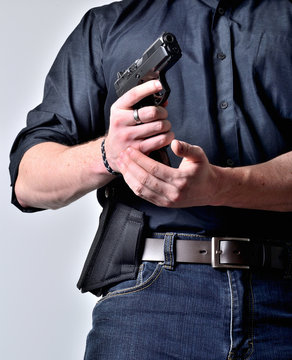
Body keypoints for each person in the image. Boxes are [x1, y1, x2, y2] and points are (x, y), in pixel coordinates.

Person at [9, 0, 292, 359]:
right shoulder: (107, 27)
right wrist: (110, 153)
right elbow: (28, 183)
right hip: (150, 305)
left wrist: (221, 185)